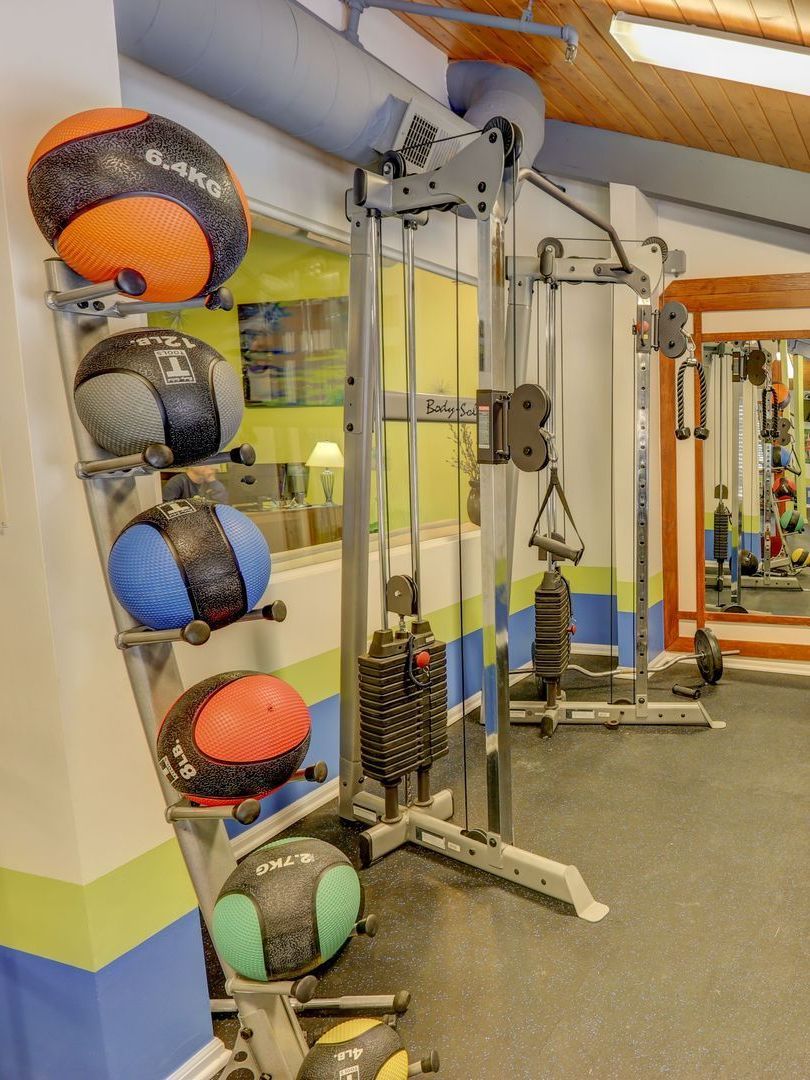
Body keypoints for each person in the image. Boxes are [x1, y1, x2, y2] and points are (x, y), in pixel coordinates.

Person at [162, 465, 229, 504]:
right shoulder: (177, 481)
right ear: (191, 465)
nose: (207, 465)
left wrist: (213, 481)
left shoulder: (212, 483)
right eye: (202, 461)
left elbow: (223, 505)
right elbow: (166, 506)